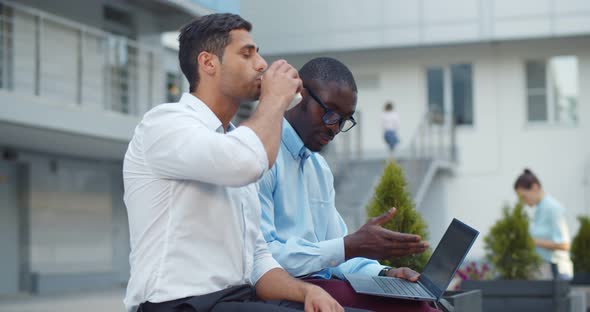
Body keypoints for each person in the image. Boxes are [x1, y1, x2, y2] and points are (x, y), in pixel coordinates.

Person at [123, 14, 358, 312]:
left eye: (258, 53)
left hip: (236, 299)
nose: (261, 64)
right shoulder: (164, 124)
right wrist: (274, 100)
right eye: (247, 54)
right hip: (177, 304)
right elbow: (244, 163)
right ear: (208, 63)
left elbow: (258, 260)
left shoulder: (234, 139)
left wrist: (308, 292)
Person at [258, 57, 438, 312]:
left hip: (324, 284)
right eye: (329, 112)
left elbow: (339, 252)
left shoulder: (319, 169)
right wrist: (348, 246)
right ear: (299, 95)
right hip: (287, 291)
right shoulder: (262, 157)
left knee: (423, 300)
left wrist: (386, 273)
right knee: (416, 309)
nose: (334, 128)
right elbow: (264, 258)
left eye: (344, 120)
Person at [514, 168, 573, 280]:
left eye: (523, 196)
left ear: (535, 187)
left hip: (557, 272)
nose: (523, 201)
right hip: (545, 269)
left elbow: (565, 245)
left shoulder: (552, 208)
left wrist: (532, 242)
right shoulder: (539, 209)